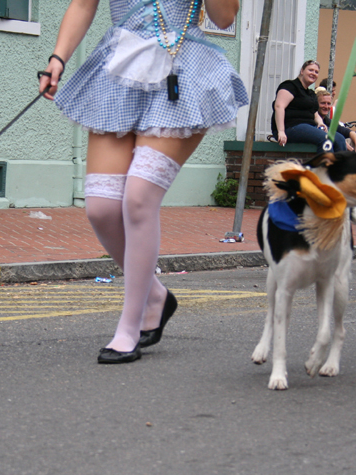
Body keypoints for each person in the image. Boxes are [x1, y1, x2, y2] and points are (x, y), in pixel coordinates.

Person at [39, 0, 248, 364]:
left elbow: (225, 17)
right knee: (102, 208)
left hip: (182, 71)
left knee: (138, 198)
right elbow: (84, 4)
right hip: (120, 69)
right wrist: (57, 59)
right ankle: (155, 296)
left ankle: (128, 329)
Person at [271, 61, 347, 153]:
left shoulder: (310, 93)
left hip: (308, 127)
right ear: (302, 71)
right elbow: (279, 107)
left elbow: (315, 113)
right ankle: (324, 167)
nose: (313, 73)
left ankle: (340, 167)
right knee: (326, 140)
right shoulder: (290, 86)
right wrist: (281, 131)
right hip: (291, 127)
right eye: (310, 70)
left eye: (316, 72)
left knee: (340, 139)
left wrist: (320, 123)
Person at [316, 88, 356, 155]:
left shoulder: (328, 121)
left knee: (351, 140)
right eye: (323, 103)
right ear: (316, 103)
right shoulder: (312, 121)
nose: (326, 106)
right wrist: (346, 145)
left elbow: (350, 132)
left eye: (329, 103)